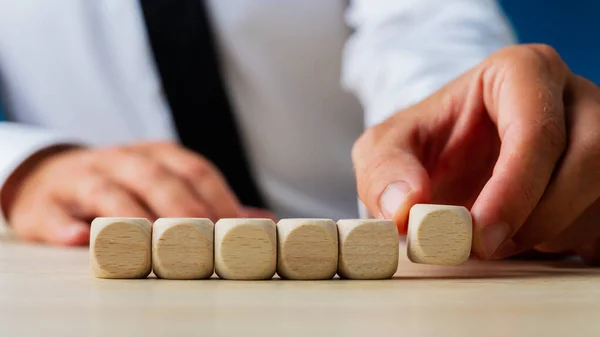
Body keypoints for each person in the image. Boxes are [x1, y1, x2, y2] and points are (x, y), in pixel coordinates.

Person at [1, 1, 599, 265]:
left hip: (376, 270)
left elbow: (423, 25)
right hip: (92, 272)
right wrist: (23, 164)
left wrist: (463, 125)